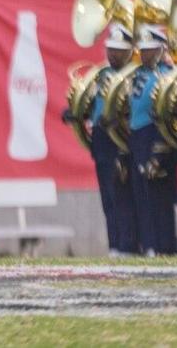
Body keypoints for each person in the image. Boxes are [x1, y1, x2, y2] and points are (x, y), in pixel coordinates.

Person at [64, 22, 137, 255]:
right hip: (102, 140)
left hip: (123, 140)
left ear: (129, 51)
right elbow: (92, 105)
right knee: (108, 196)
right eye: (110, 48)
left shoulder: (134, 76)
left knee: (124, 196)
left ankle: (129, 245)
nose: (112, 54)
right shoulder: (101, 74)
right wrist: (75, 113)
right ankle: (114, 245)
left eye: (118, 49)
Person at [124, 25, 177, 255]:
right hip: (138, 136)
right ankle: (150, 244)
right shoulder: (136, 75)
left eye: (150, 49)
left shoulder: (169, 75)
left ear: (161, 49)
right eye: (143, 49)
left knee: (161, 192)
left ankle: (165, 244)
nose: (144, 54)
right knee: (142, 193)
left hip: (158, 135)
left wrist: (161, 149)